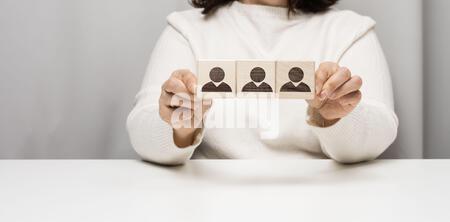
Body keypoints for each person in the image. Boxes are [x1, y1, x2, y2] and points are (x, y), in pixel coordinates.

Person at [127, 0, 399, 165]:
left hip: (323, 205)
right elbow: (142, 132)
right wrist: (179, 127)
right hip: (206, 203)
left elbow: (379, 133)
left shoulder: (350, 30)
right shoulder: (186, 29)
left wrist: (337, 118)